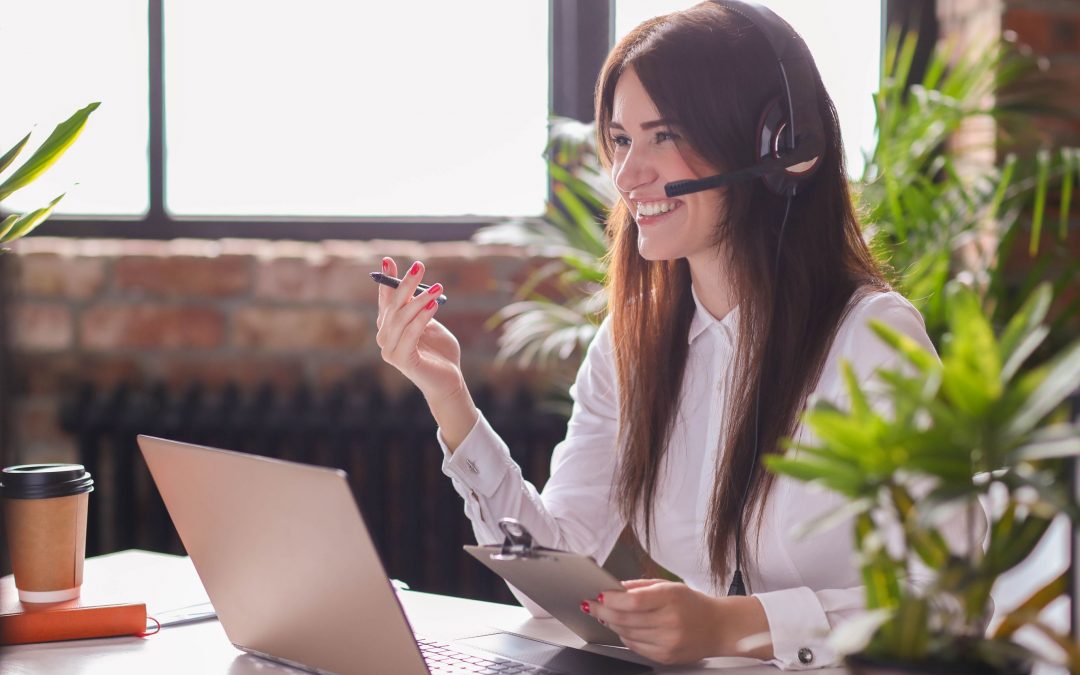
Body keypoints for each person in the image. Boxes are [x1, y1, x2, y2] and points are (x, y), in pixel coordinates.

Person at [375, 1, 978, 670]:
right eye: (622, 138)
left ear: (776, 150)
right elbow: (551, 576)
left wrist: (736, 626)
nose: (628, 174)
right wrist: (449, 401)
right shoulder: (630, 343)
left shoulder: (870, 337)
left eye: (662, 135)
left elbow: (949, 600)